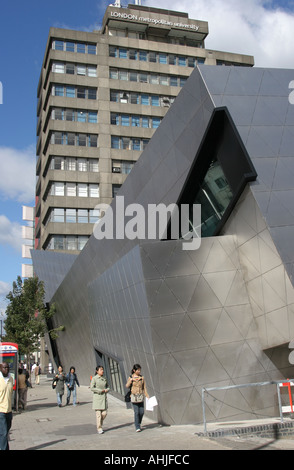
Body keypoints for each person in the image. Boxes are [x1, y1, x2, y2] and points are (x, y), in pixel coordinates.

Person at [126, 364, 149, 432]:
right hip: (134, 397)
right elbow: (127, 386)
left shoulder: (142, 378)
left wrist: (146, 395)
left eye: (139, 370)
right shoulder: (131, 377)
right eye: (138, 370)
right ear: (134, 370)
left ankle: (138, 422)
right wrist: (131, 380)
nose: (139, 371)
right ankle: (137, 426)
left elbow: (144, 387)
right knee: (137, 412)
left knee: (141, 412)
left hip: (140, 396)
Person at [90, 366, 110, 434]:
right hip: (97, 398)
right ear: (97, 371)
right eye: (101, 370)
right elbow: (92, 388)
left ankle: (100, 424)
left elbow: (108, 386)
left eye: (102, 369)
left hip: (104, 398)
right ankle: (99, 428)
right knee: (98, 414)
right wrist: (100, 390)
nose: (102, 371)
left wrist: (107, 390)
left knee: (104, 413)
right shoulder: (94, 378)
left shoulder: (104, 378)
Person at [0, 363, 14, 450]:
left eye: (8, 367)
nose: (6, 369)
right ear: (0, 368)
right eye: (4, 367)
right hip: (0, 411)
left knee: (5, 433)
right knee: (4, 433)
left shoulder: (11, 378)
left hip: (9, 411)